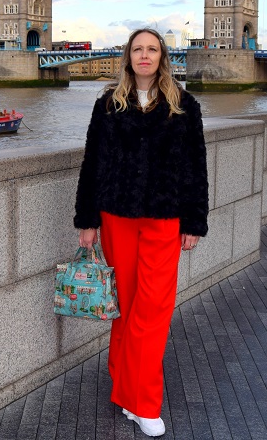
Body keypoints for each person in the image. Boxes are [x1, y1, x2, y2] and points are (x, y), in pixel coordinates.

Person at [74, 27, 209, 437]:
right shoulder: (107, 104)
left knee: (153, 312)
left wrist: (194, 221)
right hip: (115, 215)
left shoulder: (185, 105)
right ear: (128, 57)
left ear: (162, 57)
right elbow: (92, 162)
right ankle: (124, 390)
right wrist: (87, 220)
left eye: (152, 49)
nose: (144, 55)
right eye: (138, 49)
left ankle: (144, 402)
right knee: (126, 307)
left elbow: (196, 166)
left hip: (165, 218)